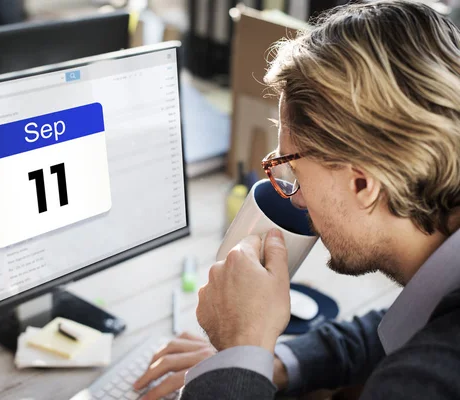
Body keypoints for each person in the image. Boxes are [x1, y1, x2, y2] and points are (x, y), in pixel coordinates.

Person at [133, 0, 460, 398]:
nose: (297, 199)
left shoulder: (427, 382)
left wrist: (240, 348)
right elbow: (399, 327)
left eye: (293, 170)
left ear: (363, 184)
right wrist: (268, 362)